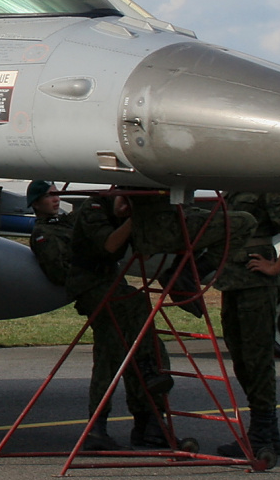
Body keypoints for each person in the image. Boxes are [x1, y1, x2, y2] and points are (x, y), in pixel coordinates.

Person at [27, 182, 173, 451]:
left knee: (133, 349)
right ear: (35, 204)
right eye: (48, 196)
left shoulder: (72, 221)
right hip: (95, 292)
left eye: (57, 193)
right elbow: (60, 273)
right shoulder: (43, 234)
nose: (56, 199)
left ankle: (148, 423)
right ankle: (102, 427)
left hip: (112, 287)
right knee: (112, 356)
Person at [212, 191, 280, 465]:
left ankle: (261, 433)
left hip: (255, 281)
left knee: (257, 358)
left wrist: (276, 266)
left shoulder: (265, 181)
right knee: (241, 356)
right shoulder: (232, 183)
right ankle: (268, 432)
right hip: (232, 278)